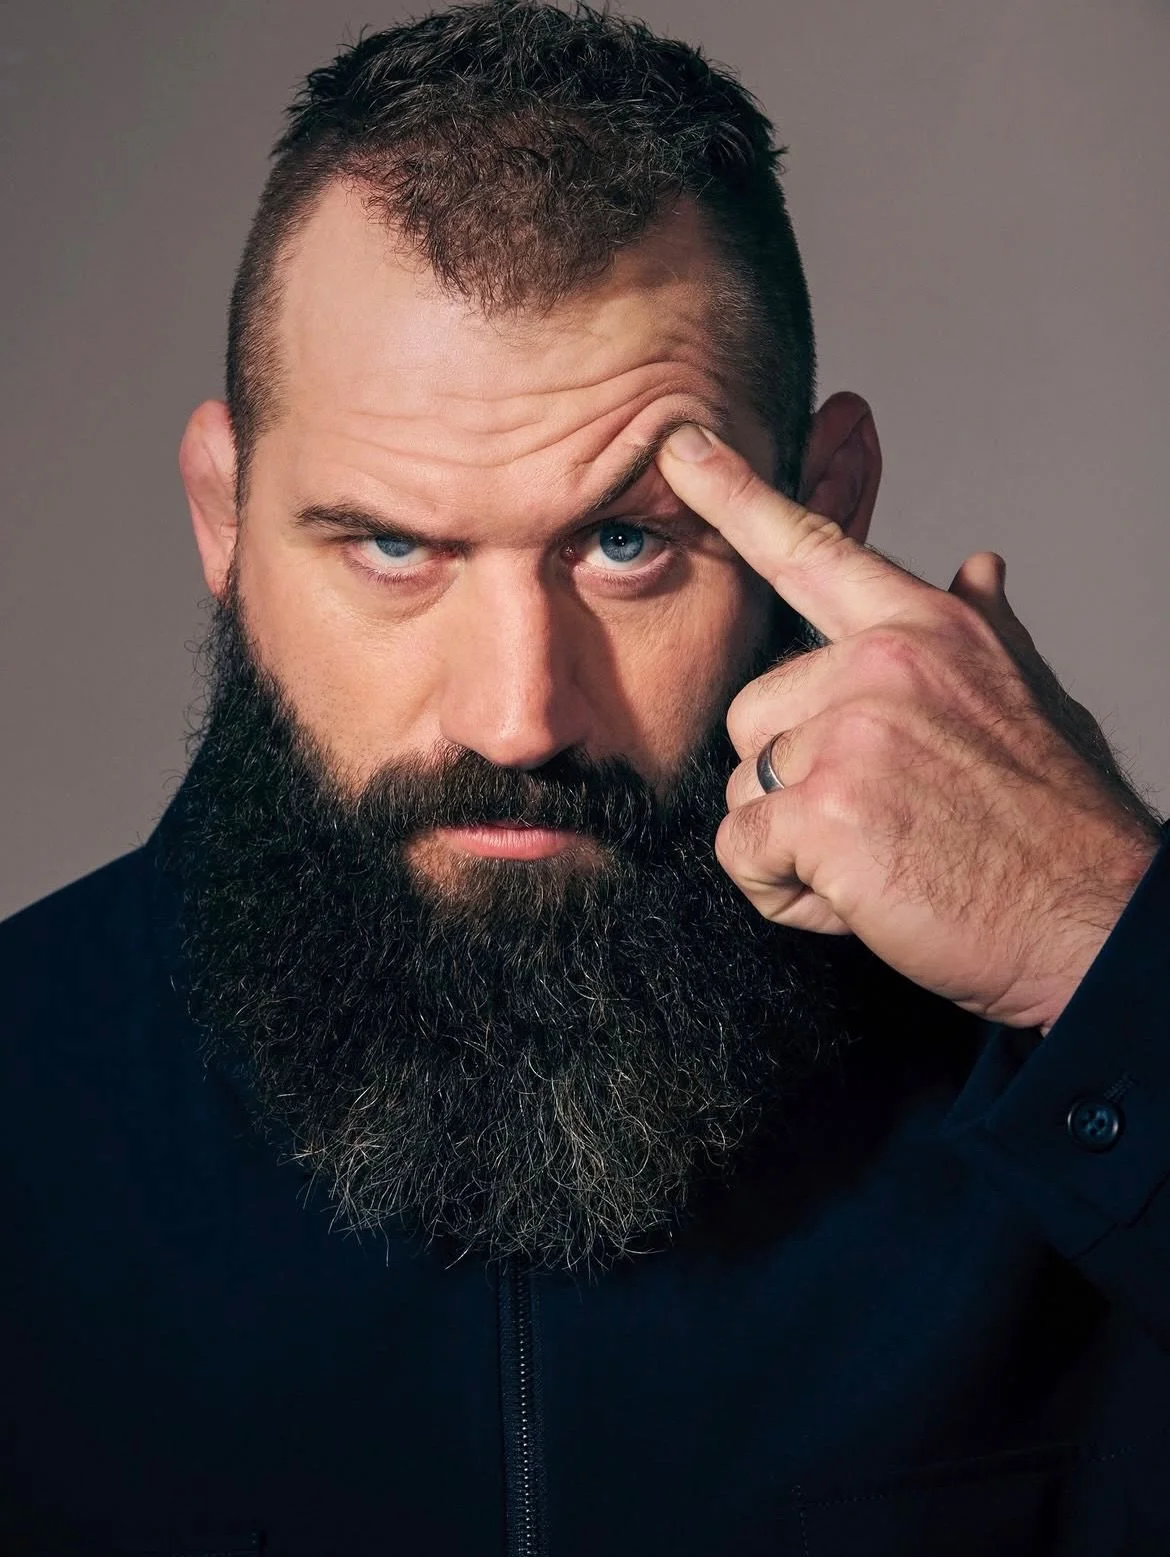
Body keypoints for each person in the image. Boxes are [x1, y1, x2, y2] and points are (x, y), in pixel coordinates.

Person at [2, 2, 1168, 1552]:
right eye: (392, 546)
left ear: (824, 504)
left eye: (628, 545)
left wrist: (1110, 944)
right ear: (224, 518)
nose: (517, 717)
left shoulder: (1050, 1048)